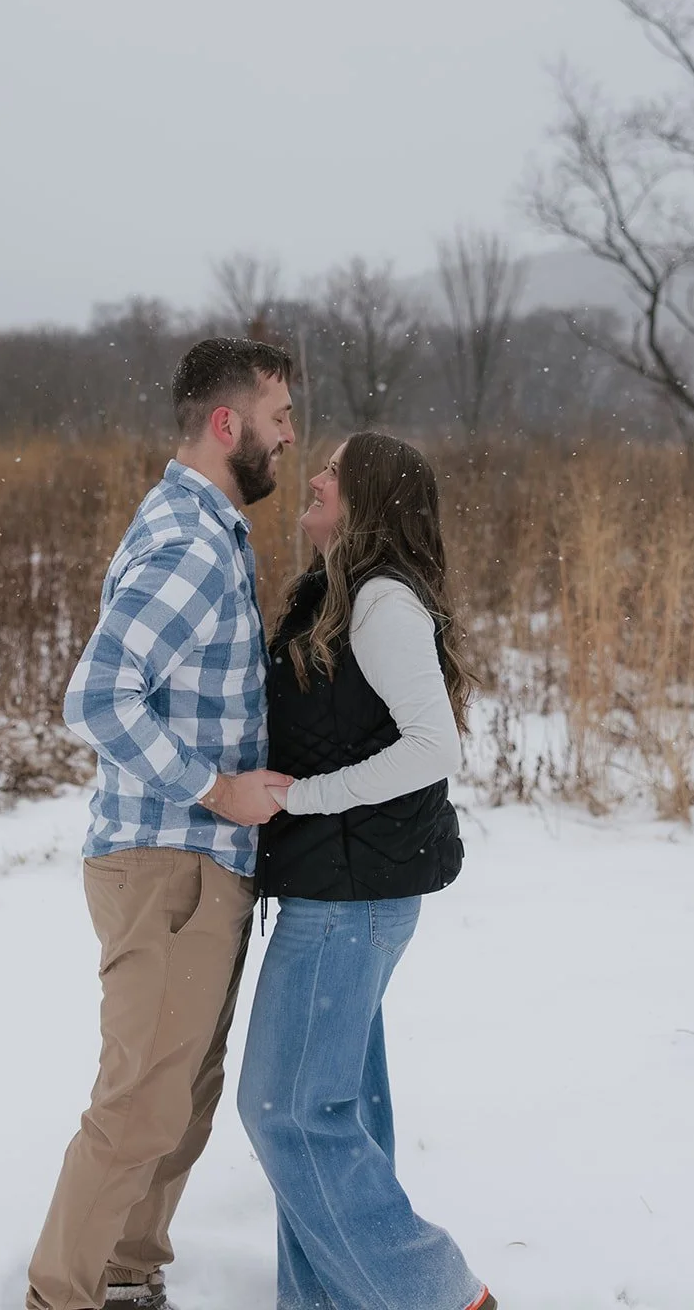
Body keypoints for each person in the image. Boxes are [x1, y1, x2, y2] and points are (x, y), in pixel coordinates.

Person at [26, 337, 295, 1310]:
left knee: (180, 1098)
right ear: (228, 425)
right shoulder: (188, 542)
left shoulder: (208, 529)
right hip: (166, 859)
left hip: (199, 864)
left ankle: (127, 1270)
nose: (289, 439)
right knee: (141, 1101)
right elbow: (96, 696)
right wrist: (216, 790)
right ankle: (61, 1294)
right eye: (278, 419)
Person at [238, 432, 496, 1310]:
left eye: (334, 472)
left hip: (350, 898)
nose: (313, 476)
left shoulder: (381, 603)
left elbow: (434, 747)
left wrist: (301, 798)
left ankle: (435, 1294)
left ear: (370, 500)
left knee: (288, 1115)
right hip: (349, 890)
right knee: (338, 1110)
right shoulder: (340, 594)